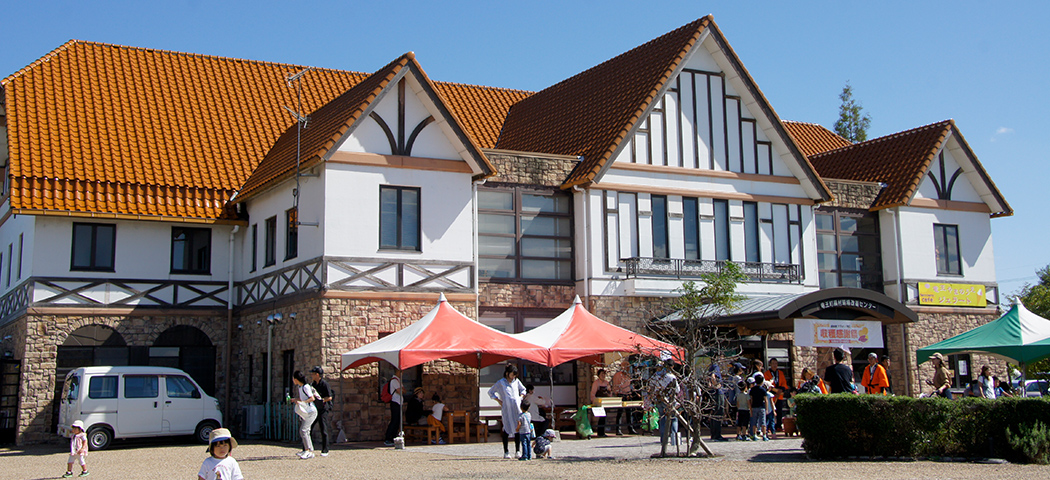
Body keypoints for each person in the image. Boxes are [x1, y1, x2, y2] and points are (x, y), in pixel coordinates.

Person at [488, 364, 526, 459]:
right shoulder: (501, 383)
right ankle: (506, 451)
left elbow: (523, 389)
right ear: (507, 373)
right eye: (512, 375)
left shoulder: (516, 381)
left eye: (515, 375)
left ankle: (517, 450)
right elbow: (491, 392)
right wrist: (499, 400)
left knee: (517, 427)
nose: (513, 377)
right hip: (507, 408)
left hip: (516, 408)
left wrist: (520, 398)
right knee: (506, 428)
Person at [291, 370, 320, 459]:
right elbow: (303, 397)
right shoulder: (300, 387)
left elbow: (312, 398)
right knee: (305, 431)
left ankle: (308, 451)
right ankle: (308, 450)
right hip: (307, 412)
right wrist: (295, 400)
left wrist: (302, 402)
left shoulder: (306, 387)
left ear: (296, 379)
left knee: (304, 430)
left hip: (311, 411)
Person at [309, 366, 333, 456]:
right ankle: (308, 448)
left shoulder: (325, 384)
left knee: (323, 429)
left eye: (313, 373)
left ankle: (325, 449)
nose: (311, 375)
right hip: (315, 409)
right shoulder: (313, 385)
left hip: (323, 409)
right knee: (309, 428)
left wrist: (322, 400)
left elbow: (329, 397)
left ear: (317, 374)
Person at [611, 359, 635, 434]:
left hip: (628, 394)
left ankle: (630, 428)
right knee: (620, 412)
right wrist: (618, 393)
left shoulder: (628, 376)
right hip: (621, 395)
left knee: (629, 412)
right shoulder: (618, 375)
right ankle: (618, 429)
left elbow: (629, 385)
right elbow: (615, 386)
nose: (627, 368)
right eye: (626, 367)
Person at [590, 368, 611, 437]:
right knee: (601, 417)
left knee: (604, 417)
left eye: (604, 374)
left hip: (606, 402)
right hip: (599, 403)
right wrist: (595, 401)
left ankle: (603, 432)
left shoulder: (606, 383)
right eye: (602, 374)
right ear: (598, 375)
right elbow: (593, 394)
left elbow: (609, 392)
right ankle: (600, 432)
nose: (603, 375)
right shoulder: (596, 383)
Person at [384, 372, 402, 446]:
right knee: (394, 420)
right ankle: (388, 438)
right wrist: (402, 390)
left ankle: (393, 437)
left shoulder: (399, 380)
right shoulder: (394, 381)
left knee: (397, 421)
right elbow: (399, 391)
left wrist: (402, 390)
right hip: (395, 402)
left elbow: (404, 390)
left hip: (399, 402)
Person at [748, 373, 768, 441]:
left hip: (754, 406)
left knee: (754, 421)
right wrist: (767, 409)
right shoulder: (763, 390)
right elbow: (765, 400)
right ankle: (764, 435)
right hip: (761, 407)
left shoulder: (752, 390)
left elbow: (751, 399)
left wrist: (750, 408)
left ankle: (754, 434)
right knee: (763, 421)